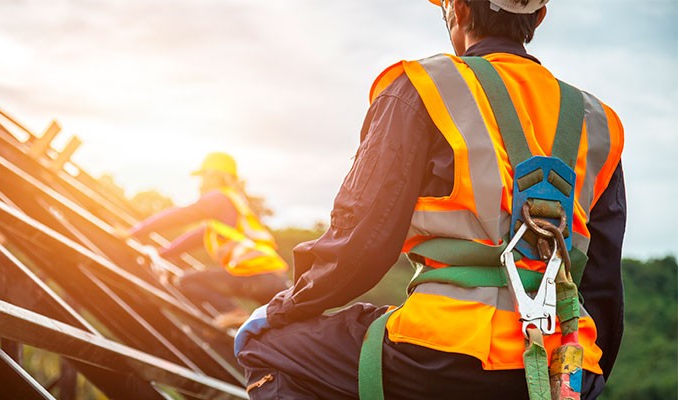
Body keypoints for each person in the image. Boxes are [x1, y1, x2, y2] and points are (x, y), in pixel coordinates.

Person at [234, 0, 626, 399]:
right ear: (539, 17)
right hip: (568, 368)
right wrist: (584, 378)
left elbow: (360, 245)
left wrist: (284, 308)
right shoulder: (599, 122)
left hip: (444, 354)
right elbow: (603, 284)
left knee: (265, 347)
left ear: (458, 9)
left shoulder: (423, 86)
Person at [128, 152, 289, 321]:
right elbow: (191, 240)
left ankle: (233, 312)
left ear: (214, 176)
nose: (201, 183)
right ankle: (232, 317)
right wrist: (159, 254)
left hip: (256, 276)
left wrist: (134, 232)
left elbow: (179, 215)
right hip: (274, 281)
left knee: (187, 281)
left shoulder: (218, 198)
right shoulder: (232, 208)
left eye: (203, 176)